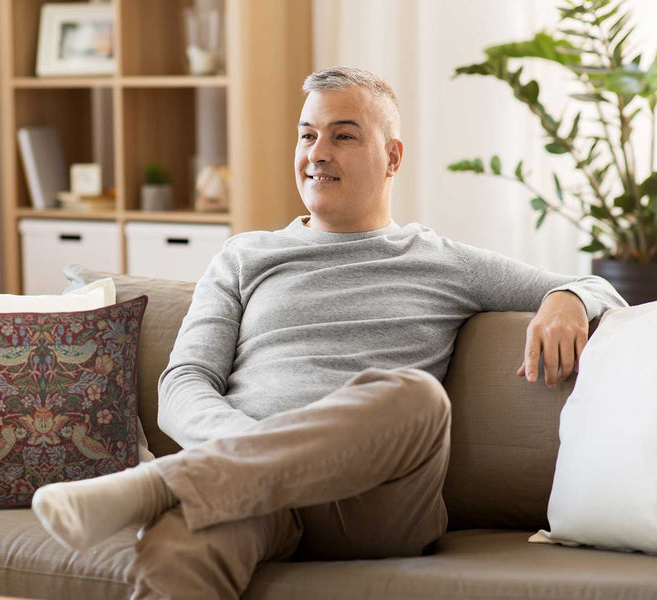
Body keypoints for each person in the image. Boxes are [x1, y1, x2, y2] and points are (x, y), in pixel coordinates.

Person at [32, 66, 626, 599]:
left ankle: (156, 484)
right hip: (246, 487)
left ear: (392, 157)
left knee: (413, 397)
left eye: (343, 135)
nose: (318, 152)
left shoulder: (441, 260)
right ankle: (196, 484)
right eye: (307, 134)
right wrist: (245, 453)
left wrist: (569, 296)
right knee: (182, 542)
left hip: (373, 505)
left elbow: (605, 289)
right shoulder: (246, 256)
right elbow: (185, 380)